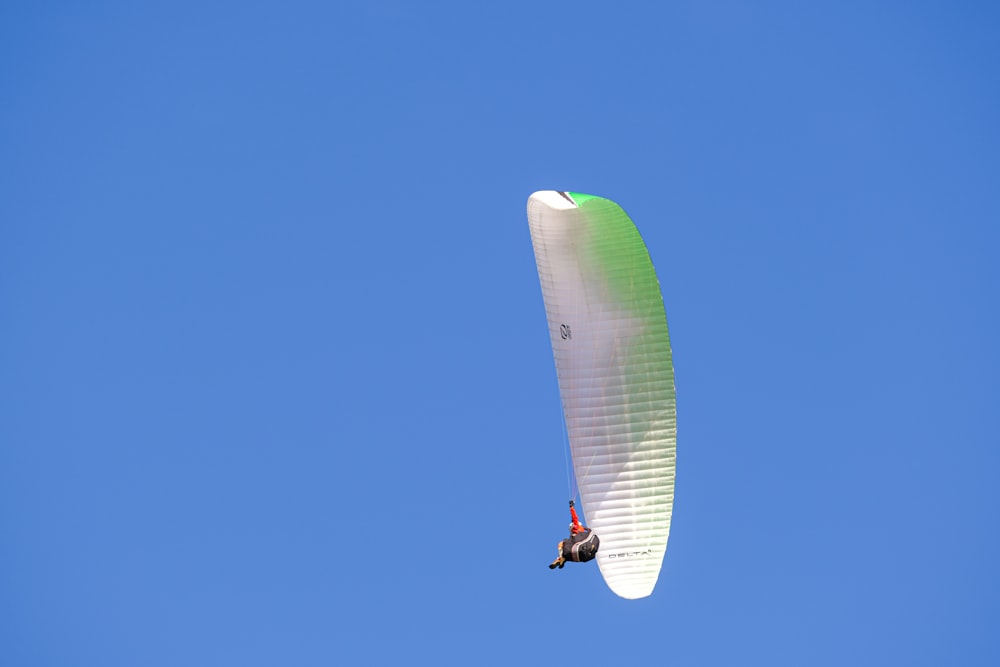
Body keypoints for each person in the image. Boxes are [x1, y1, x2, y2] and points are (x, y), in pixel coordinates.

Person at [548, 500, 600, 569]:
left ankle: (561, 558)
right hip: (582, 552)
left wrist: (572, 508)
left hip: (577, 551)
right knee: (566, 550)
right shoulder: (581, 532)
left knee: (561, 544)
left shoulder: (576, 527)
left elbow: (574, 518)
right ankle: (561, 559)